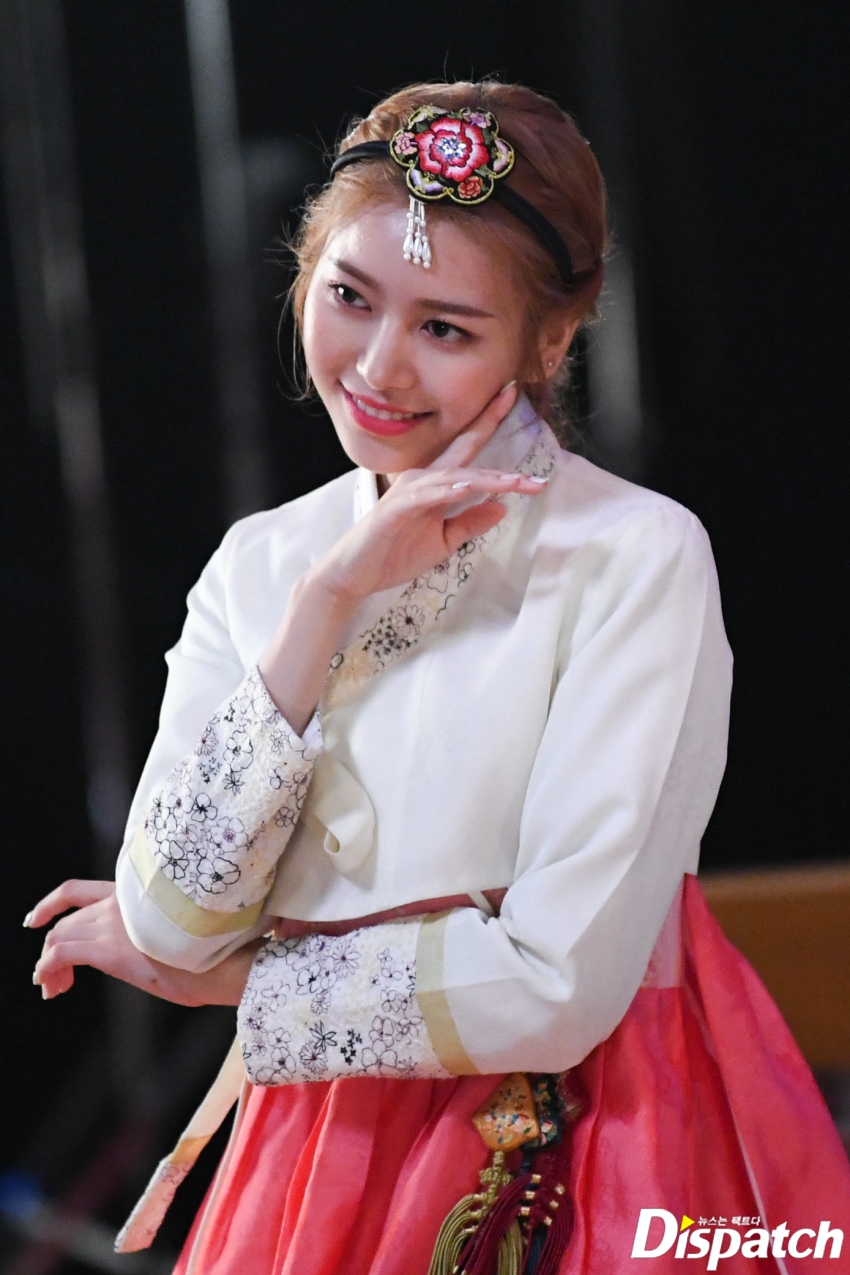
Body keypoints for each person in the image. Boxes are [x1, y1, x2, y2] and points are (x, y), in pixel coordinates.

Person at [27, 81, 850, 1274]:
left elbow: (557, 990)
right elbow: (169, 915)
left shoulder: (631, 555)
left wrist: (249, 989)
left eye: (445, 329)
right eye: (348, 297)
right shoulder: (265, 564)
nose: (378, 365)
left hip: (586, 1143)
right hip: (318, 1148)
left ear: (549, 341)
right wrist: (324, 604)